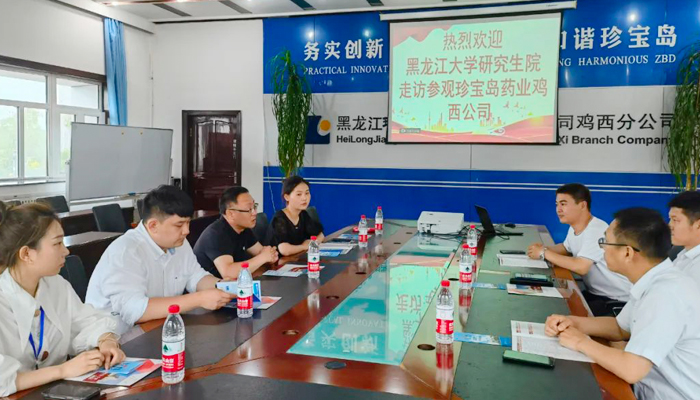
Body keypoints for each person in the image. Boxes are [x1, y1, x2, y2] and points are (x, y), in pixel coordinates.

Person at [545, 208, 700, 400]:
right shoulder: (654, 281)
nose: (602, 248)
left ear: (627, 253)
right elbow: (620, 328)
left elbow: (631, 369)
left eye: (605, 242)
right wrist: (573, 322)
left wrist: (580, 342)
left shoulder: (665, 294)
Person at [0, 202, 125, 396]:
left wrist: (106, 341)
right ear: (26, 254)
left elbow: (87, 322)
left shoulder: (56, 285)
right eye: (57, 243)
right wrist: (63, 370)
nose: (66, 251)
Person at [86, 185, 235, 335]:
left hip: (159, 328)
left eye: (188, 223)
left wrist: (223, 286)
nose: (187, 231)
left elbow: (195, 277)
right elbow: (136, 311)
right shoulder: (126, 251)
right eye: (179, 225)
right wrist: (199, 299)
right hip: (114, 339)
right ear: (153, 225)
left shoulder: (178, 243)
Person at [527, 183, 631, 315]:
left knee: (559, 312)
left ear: (582, 205)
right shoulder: (575, 227)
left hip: (616, 301)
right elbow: (566, 248)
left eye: (563, 204)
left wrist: (544, 253)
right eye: (557, 204)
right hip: (594, 294)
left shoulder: (596, 230)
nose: (558, 209)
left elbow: (581, 266)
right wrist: (541, 249)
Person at [193, 186, 278, 279]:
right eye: (249, 209)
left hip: (234, 284)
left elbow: (261, 252)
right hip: (209, 286)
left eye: (254, 206)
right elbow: (228, 272)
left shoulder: (243, 229)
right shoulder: (216, 234)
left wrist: (270, 255)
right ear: (230, 214)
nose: (254, 213)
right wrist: (263, 257)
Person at [271, 176, 324, 256]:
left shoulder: (303, 214)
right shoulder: (279, 218)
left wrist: (312, 243)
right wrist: (304, 246)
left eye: (307, 193)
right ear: (287, 197)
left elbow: (321, 235)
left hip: (296, 258)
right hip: (279, 262)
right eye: (299, 194)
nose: (304, 198)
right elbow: (284, 250)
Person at [668, 191, 700, 288]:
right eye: (670, 219)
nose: (670, 225)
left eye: (675, 220)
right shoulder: (682, 255)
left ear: (698, 225)